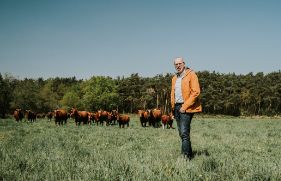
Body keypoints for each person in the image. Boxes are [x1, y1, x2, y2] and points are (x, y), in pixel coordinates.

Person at [171, 57, 202, 160]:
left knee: (184, 133)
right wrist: (172, 109)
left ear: (184, 64)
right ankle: (189, 153)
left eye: (180, 63)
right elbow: (173, 94)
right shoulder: (174, 78)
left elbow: (196, 92)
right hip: (176, 107)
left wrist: (185, 106)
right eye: (176, 64)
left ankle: (185, 158)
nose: (178, 66)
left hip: (186, 107)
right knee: (181, 133)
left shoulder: (191, 75)